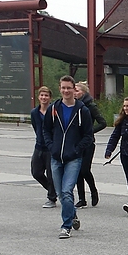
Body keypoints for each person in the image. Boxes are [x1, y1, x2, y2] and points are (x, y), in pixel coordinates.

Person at [43, 75, 93, 239]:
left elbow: (88, 135)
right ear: (60, 89)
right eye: (63, 88)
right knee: (60, 193)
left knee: (66, 191)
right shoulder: (53, 109)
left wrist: (77, 150)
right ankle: (72, 214)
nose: (66, 91)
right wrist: (51, 147)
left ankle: (66, 226)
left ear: (74, 90)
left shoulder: (82, 110)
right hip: (56, 156)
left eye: (69, 88)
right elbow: (46, 130)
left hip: (73, 158)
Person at [73, 81, 103, 208]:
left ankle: (93, 190)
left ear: (83, 93)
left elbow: (102, 122)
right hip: (75, 143)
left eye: (77, 90)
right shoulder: (72, 106)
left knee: (84, 170)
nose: (74, 93)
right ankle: (82, 199)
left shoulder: (90, 106)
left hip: (88, 143)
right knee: (77, 171)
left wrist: (90, 131)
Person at [30, 86, 57, 209]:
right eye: (41, 95)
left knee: (51, 175)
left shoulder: (54, 112)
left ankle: (51, 197)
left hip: (51, 147)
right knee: (36, 172)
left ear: (50, 98)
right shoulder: (34, 113)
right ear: (38, 97)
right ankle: (54, 190)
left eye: (46, 95)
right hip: (39, 146)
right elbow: (36, 127)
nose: (44, 97)